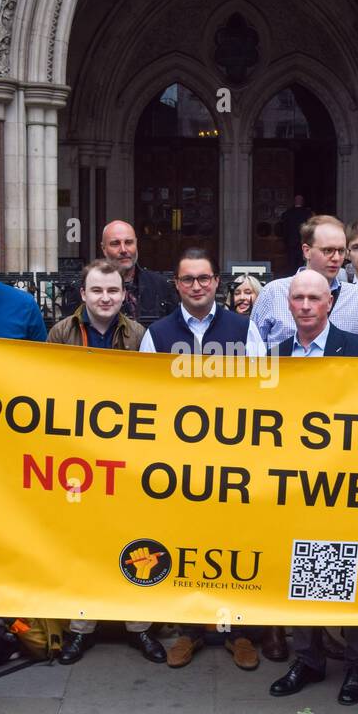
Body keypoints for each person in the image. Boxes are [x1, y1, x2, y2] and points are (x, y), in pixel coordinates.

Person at [140, 248, 266, 670]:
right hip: (178, 465)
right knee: (185, 544)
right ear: (176, 284)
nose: (197, 286)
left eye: (204, 278)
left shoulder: (243, 329)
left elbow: (263, 390)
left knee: (235, 544)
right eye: (188, 279)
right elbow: (140, 397)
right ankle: (189, 630)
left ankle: (241, 632)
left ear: (216, 283)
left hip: (234, 461)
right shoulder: (156, 334)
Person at [269, 270, 358, 705]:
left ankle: (357, 664)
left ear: (330, 303)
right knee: (299, 568)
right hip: (294, 484)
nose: (305, 305)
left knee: (348, 568)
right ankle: (308, 659)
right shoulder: (276, 355)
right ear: (289, 304)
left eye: (314, 298)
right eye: (298, 298)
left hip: (346, 481)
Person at [45, 260, 164, 664]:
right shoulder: (61, 333)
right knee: (83, 542)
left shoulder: (139, 335)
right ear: (83, 294)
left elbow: (152, 392)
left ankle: (140, 626)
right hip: (77, 458)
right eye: (97, 291)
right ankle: (82, 627)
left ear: (123, 295)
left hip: (127, 459)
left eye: (113, 291)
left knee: (134, 539)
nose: (105, 298)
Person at [250, 214, 358, 348]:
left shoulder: (357, 297)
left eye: (341, 251)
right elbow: (252, 350)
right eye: (328, 250)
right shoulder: (274, 292)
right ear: (307, 251)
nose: (336, 258)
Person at [94, 219, 178, 323]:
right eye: (115, 244)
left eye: (129, 242)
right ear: (103, 248)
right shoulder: (90, 288)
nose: (124, 250)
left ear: (136, 244)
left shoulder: (161, 286)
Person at [280, 194, 314, 275]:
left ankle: (292, 276)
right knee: (301, 262)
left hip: (291, 242)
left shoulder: (287, 213)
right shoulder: (308, 213)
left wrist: (285, 240)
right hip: (303, 241)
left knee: (292, 263)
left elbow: (284, 229)